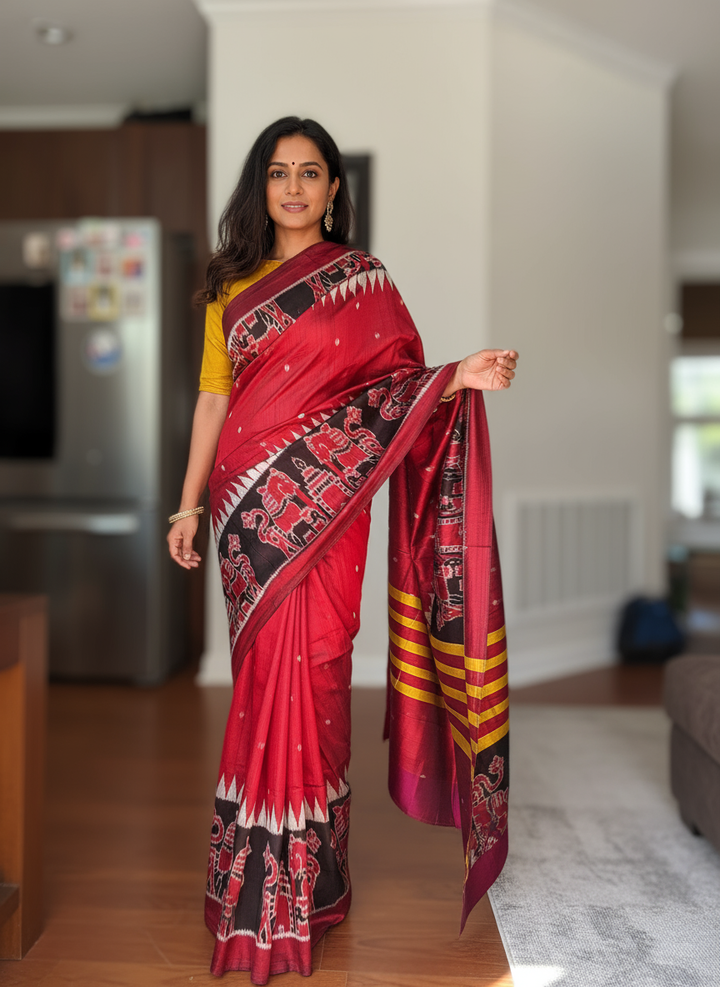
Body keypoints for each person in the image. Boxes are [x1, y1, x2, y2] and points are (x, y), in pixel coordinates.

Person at [167, 116, 518, 984]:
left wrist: (455, 376)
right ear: (262, 186)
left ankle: (310, 887)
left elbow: (394, 388)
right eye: (278, 173)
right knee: (262, 685)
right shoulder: (228, 289)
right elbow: (214, 404)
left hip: (326, 511)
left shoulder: (363, 281)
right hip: (252, 515)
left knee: (322, 670)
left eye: (310, 173)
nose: (293, 187)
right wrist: (187, 503)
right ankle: (254, 896)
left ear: (333, 190)